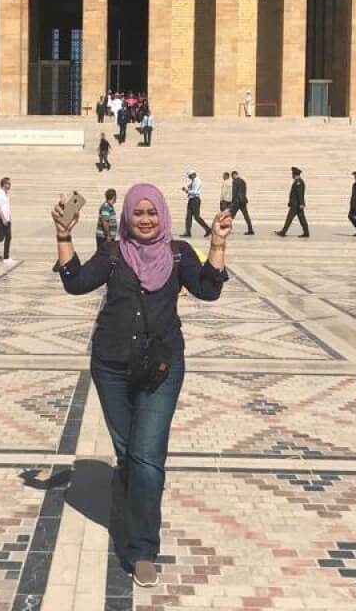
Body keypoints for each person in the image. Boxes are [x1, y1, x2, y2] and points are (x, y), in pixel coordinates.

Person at [52, 183, 230, 587]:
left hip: (162, 367)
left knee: (147, 460)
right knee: (130, 454)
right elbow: (75, 283)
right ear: (128, 216)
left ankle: (143, 547)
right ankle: (130, 501)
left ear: (163, 215)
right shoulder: (114, 253)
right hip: (111, 365)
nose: (146, 220)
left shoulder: (179, 252)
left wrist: (217, 243)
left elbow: (208, 289)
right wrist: (64, 235)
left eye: (153, 213)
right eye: (139, 213)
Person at [275, 167, 309, 238]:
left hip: (296, 205)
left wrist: (301, 203)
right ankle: (306, 232)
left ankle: (283, 232)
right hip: (296, 204)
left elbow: (300, 194)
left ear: (295, 174)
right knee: (302, 219)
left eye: (292, 174)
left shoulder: (298, 182)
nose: (292, 175)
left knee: (289, 218)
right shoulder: (298, 181)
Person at [179, 169, 210, 238]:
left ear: (192, 175)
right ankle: (188, 232)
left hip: (195, 200)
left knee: (197, 217)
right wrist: (188, 189)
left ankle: (208, 229)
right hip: (191, 199)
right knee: (188, 217)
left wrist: (187, 190)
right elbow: (190, 188)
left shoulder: (197, 181)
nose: (188, 177)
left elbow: (195, 192)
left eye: (189, 176)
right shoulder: (193, 181)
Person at [228, 171, 253, 235]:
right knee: (246, 216)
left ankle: (226, 229)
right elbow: (244, 191)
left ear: (234, 175)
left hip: (237, 201)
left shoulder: (235, 181)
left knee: (231, 215)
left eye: (232, 176)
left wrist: (232, 202)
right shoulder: (243, 181)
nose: (232, 178)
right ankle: (250, 230)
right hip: (243, 201)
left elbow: (234, 192)